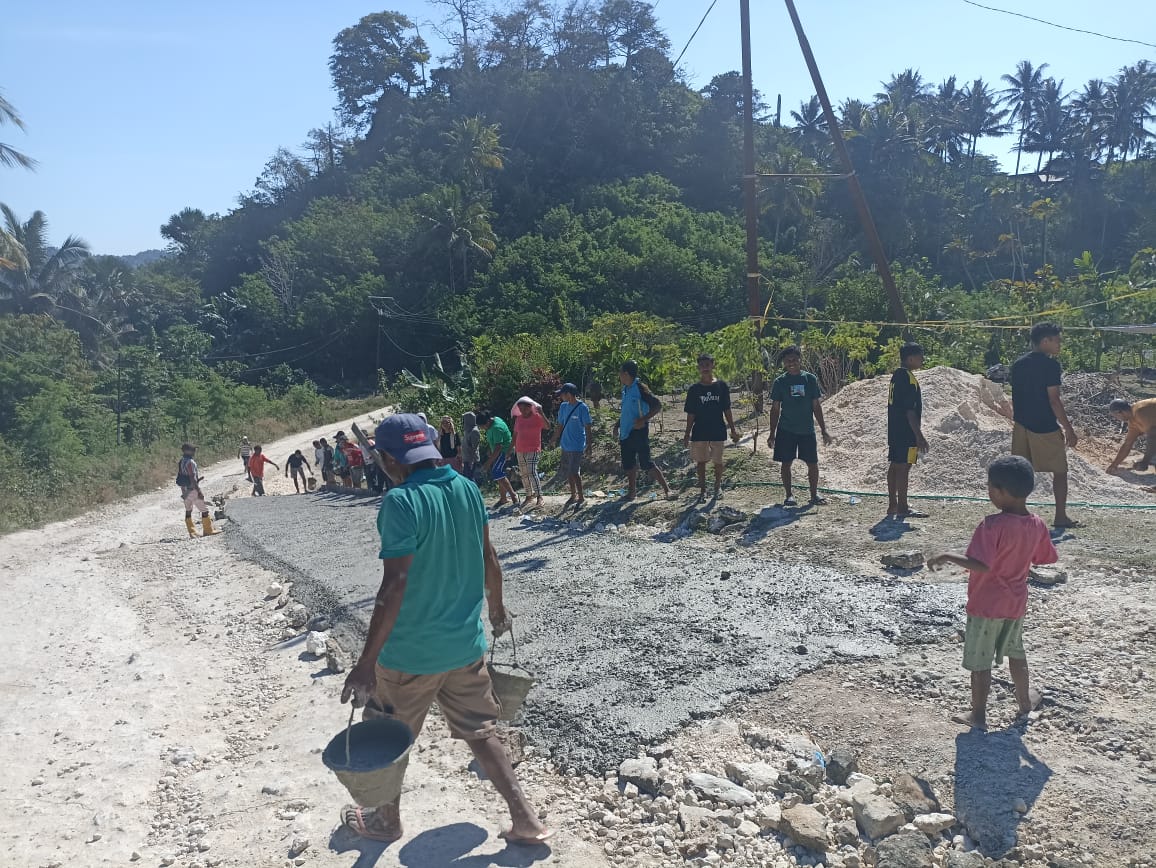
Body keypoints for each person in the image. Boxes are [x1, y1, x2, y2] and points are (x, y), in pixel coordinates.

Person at [339, 413, 552, 847]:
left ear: (387, 458)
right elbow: (489, 557)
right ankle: (525, 818)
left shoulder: (400, 502)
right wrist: (496, 611)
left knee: (387, 732)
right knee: (482, 729)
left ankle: (385, 820)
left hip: (410, 656)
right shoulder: (467, 489)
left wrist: (365, 665)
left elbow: (394, 584)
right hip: (463, 646)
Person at [928, 455, 1058, 731]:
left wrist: (947, 555)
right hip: (1015, 602)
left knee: (981, 660)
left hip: (986, 604)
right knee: (1016, 651)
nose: (988, 492)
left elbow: (982, 566)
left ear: (999, 492)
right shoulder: (1037, 524)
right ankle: (1024, 702)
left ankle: (978, 715)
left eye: (989, 487)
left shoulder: (991, 525)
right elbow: (1044, 558)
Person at [1010, 322, 1080, 528]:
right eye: (1057, 340)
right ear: (1045, 341)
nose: (1060, 345)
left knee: (1021, 471)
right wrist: (1068, 428)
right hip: (1045, 425)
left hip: (1021, 424)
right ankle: (1060, 516)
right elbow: (1054, 400)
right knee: (1060, 472)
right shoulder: (1050, 365)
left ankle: (1017, 513)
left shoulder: (1018, 364)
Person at [766, 345, 831, 506]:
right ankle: (789, 495)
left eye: (794, 359)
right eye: (788, 360)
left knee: (812, 463)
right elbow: (775, 409)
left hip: (807, 430)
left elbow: (816, 406)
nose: (791, 363)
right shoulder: (780, 382)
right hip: (786, 429)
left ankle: (814, 495)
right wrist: (772, 433)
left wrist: (823, 430)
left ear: (800, 360)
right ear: (784, 363)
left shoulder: (810, 379)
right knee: (786, 462)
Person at [683, 354, 740, 500]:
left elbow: (727, 409)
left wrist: (733, 429)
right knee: (701, 461)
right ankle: (702, 491)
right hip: (700, 430)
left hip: (718, 429)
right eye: (702, 365)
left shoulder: (721, 386)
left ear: (713, 365)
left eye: (707, 364)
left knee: (718, 461)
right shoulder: (694, 390)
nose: (705, 368)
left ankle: (717, 487)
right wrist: (687, 433)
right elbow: (691, 414)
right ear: (698, 368)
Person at [886, 343, 931, 518]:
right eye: (920, 357)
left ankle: (893, 505)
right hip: (907, 432)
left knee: (894, 466)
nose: (922, 360)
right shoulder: (909, 378)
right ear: (910, 358)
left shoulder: (896, 375)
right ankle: (903, 508)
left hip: (894, 429)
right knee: (904, 467)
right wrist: (919, 436)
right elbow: (909, 410)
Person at [618, 360, 672, 501]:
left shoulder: (640, 388)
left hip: (638, 431)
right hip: (625, 432)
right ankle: (632, 493)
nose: (619, 376)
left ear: (626, 374)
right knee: (629, 464)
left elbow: (657, 405)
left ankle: (667, 490)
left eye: (620, 373)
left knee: (646, 463)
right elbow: (626, 411)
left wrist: (643, 420)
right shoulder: (625, 390)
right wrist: (617, 424)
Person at [551, 383, 593, 506]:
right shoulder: (563, 407)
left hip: (577, 445)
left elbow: (588, 427)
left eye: (562, 394)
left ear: (568, 394)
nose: (561, 397)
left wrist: (589, 445)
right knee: (569, 472)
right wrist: (554, 439)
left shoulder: (582, 408)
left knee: (574, 471)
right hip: (565, 444)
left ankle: (581, 497)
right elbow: (560, 426)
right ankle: (573, 495)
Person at [512, 397, 550, 510]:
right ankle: (529, 495)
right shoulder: (518, 419)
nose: (522, 411)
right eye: (520, 408)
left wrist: (542, 413)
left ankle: (539, 496)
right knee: (524, 474)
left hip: (533, 448)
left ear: (530, 407)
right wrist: (510, 449)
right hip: (520, 449)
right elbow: (515, 435)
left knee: (532, 471)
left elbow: (547, 426)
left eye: (524, 408)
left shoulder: (537, 417)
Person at [477, 411, 518, 508]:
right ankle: (503, 498)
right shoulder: (493, 421)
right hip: (499, 451)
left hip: (504, 451)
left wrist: (488, 463)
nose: (482, 429)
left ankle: (513, 495)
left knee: (496, 472)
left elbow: (498, 448)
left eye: (482, 426)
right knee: (499, 473)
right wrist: (489, 449)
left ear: (487, 422)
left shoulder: (496, 428)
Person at [177, 443, 217, 538]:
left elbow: (181, 476)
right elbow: (192, 477)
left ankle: (192, 532)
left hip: (184, 489)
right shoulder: (191, 462)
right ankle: (208, 530)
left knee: (188, 510)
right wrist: (199, 491)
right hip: (192, 489)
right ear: (187, 451)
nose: (194, 452)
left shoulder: (181, 461)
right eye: (193, 450)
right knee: (204, 509)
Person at [1106, 397, 1156, 473]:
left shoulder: (1140, 411)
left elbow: (1153, 436)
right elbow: (1127, 444)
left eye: (1116, 416)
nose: (1117, 419)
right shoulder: (1133, 422)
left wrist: (1145, 461)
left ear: (1120, 412)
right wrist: (1114, 465)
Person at [461, 411, 483, 483]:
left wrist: (471, 461)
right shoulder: (467, 430)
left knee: (472, 480)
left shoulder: (474, 431)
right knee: (467, 480)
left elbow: (474, 448)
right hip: (466, 459)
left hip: (472, 460)